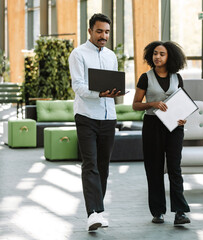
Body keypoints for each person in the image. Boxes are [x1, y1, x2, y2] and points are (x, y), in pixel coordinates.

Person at [68, 13, 122, 231]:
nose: (103, 35)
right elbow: (78, 86)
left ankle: (98, 211)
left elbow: (112, 82)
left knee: (103, 167)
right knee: (90, 164)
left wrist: (115, 91)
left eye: (107, 31)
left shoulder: (111, 56)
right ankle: (93, 213)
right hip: (86, 117)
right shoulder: (78, 54)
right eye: (99, 31)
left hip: (109, 117)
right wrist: (100, 93)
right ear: (90, 31)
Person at [132, 41, 191, 225]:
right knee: (154, 169)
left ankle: (180, 212)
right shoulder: (145, 77)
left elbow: (182, 102)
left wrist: (183, 118)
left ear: (169, 57)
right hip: (152, 126)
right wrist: (152, 104)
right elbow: (135, 105)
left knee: (175, 168)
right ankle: (158, 211)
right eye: (155, 53)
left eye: (162, 54)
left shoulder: (177, 77)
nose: (157, 57)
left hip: (174, 127)